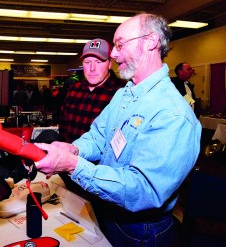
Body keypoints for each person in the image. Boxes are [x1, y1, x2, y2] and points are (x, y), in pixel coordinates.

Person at [34, 13, 202, 247]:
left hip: (139, 230)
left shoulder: (172, 114)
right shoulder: (126, 93)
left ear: (151, 42)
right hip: (108, 211)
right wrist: (73, 148)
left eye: (120, 44)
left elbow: (143, 190)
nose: (112, 53)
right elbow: (99, 136)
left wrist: (73, 164)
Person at [58, 38, 126, 143]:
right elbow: (63, 126)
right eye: (87, 62)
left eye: (98, 62)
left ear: (110, 63)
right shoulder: (74, 90)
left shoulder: (122, 92)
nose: (92, 68)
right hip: (68, 155)